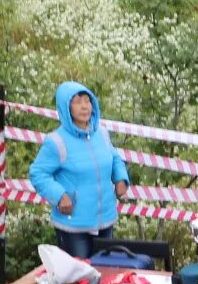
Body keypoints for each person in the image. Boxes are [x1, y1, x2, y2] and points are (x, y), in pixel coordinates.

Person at [27, 80, 129, 260]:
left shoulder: (102, 134)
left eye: (87, 100)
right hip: (73, 226)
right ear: (66, 108)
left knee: (104, 276)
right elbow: (38, 173)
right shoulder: (56, 141)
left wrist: (120, 179)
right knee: (79, 282)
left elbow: (114, 158)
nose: (84, 106)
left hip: (105, 220)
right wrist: (59, 196)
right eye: (77, 102)